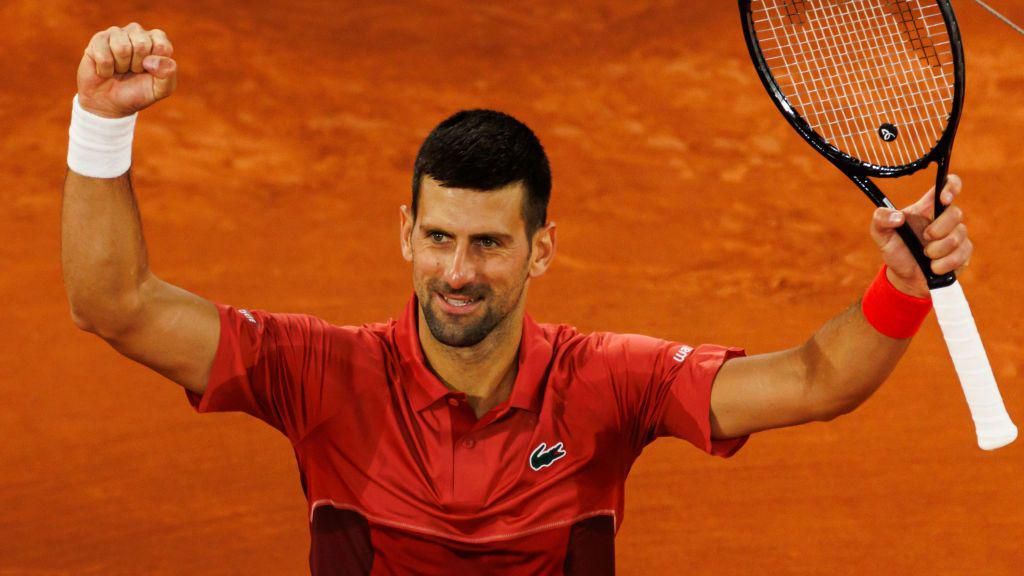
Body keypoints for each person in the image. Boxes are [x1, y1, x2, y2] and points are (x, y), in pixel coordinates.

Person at [62, 24, 973, 576]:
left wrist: (899, 284)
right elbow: (116, 304)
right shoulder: (321, 374)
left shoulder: (610, 383)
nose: (458, 272)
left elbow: (818, 380)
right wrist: (102, 122)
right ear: (407, 236)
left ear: (541, 250)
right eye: (441, 239)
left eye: (490, 244)